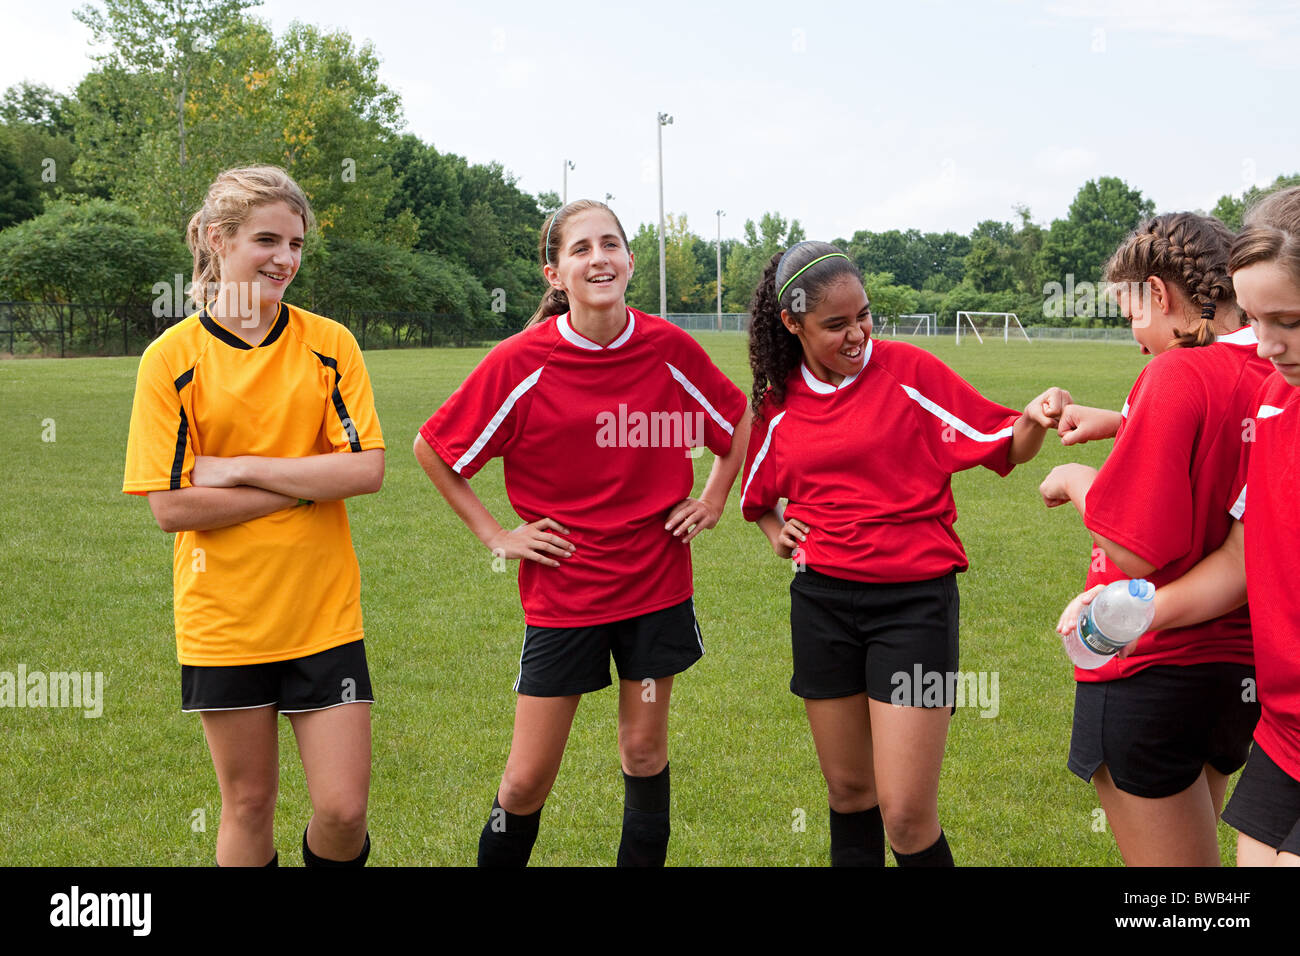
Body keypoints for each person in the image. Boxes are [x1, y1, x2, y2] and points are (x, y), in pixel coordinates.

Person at [414, 199, 751, 866]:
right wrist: (496, 536)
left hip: (655, 588)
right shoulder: (521, 362)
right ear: (555, 273)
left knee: (644, 752)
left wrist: (714, 498)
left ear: (629, 260)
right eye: (581, 249)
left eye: (611, 245)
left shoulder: (668, 347)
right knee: (526, 778)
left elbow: (738, 421)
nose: (599, 258)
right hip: (565, 595)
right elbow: (435, 448)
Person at [740, 240, 1068, 866]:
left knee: (907, 814)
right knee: (848, 794)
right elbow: (757, 493)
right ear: (792, 323)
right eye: (835, 325)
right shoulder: (779, 401)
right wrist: (773, 529)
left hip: (913, 605)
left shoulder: (908, 372)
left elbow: (1002, 443)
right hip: (822, 605)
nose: (857, 332)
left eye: (863, 314)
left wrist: (1031, 416)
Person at [122, 165, 385, 867]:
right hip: (225, 620)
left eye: (296, 244)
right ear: (218, 239)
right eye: (267, 239)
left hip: (323, 613)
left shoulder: (331, 345)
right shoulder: (170, 360)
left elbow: (364, 470)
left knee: (343, 809)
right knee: (247, 805)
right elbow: (173, 506)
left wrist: (238, 468)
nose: (285, 259)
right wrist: (308, 482)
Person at [1059, 186, 1300, 866]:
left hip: (1151, 670)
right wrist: (1124, 423)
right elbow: (1242, 527)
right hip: (1252, 692)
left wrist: (1079, 481)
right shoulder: (1273, 381)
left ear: (1159, 294)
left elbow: (1135, 550)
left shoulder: (1180, 374)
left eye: (1130, 312)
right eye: (1260, 319)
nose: (1267, 342)